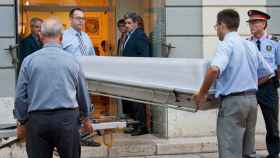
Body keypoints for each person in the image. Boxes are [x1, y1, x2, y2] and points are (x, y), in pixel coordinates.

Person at [193, 9, 273, 158]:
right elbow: (268, 73)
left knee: (230, 151)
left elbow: (213, 70)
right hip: (251, 101)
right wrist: (247, 84)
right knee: (247, 152)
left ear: (222, 25)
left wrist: (202, 94)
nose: (216, 30)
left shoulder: (226, 44)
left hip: (233, 103)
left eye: (216, 26)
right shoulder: (249, 45)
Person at [14, 17, 93, 158]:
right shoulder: (73, 61)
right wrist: (86, 117)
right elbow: (82, 92)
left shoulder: (29, 61)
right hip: (67, 120)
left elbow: (20, 95)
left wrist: (22, 121)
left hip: (38, 121)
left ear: (40, 35)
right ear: (61, 37)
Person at [247, 9, 280, 158]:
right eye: (250, 22)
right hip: (250, 87)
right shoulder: (246, 43)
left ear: (263, 23)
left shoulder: (275, 42)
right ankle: (248, 152)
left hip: (268, 87)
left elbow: (279, 66)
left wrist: (276, 83)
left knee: (272, 124)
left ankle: (273, 154)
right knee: (248, 124)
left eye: (255, 22)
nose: (252, 25)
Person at [121, 12, 150, 136]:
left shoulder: (139, 35)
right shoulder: (128, 35)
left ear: (136, 23)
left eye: (129, 23)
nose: (126, 25)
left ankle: (142, 127)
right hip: (129, 74)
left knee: (138, 102)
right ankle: (135, 125)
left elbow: (144, 56)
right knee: (132, 101)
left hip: (137, 74)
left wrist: (138, 72)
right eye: (126, 23)